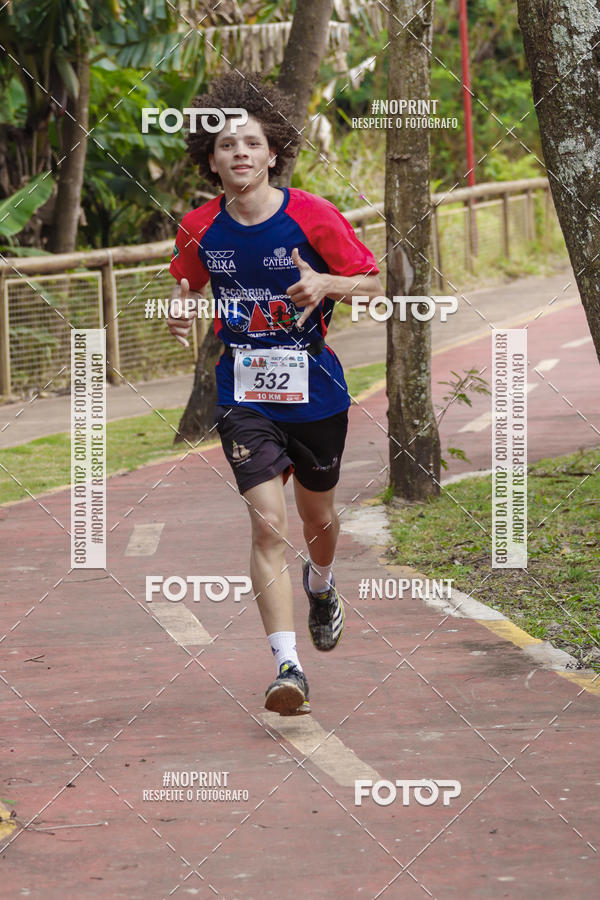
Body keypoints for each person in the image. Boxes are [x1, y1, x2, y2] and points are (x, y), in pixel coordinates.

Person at [168, 71, 383, 716]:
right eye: (226, 144)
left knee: (319, 518)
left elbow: (375, 284)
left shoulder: (312, 214)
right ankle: (288, 667)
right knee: (268, 522)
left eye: (251, 143)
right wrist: (180, 310)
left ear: (272, 152)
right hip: (244, 392)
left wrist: (325, 284)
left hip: (315, 388)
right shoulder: (200, 226)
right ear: (210, 159)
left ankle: (322, 583)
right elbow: (186, 282)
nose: (239, 153)